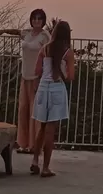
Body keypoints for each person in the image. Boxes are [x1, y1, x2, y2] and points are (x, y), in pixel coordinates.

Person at [30, 20, 75, 178]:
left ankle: (35, 161)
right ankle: (46, 167)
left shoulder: (45, 48)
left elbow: (37, 70)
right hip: (56, 89)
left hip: (43, 88)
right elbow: (70, 77)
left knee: (41, 127)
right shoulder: (67, 52)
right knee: (51, 129)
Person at [4, 9, 50, 154]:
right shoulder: (27, 33)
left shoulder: (45, 36)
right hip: (25, 76)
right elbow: (17, 32)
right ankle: (23, 143)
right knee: (23, 109)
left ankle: (35, 145)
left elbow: (48, 57)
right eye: (34, 18)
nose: (36, 21)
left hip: (37, 77)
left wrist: (42, 75)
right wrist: (2, 30)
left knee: (34, 111)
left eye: (39, 19)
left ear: (43, 21)